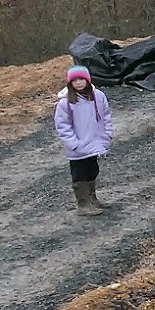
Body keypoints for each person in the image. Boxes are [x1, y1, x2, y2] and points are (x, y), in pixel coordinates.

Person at [54, 65, 113, 216]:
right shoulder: (65, 103)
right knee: (79, 174)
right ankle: (83, 204)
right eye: (74, 80)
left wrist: (107, 135)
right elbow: (63, 126)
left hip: (95, 143)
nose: (78, 82)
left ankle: (93, 199)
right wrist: (74, 144)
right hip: (78, 148)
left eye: (81, 79)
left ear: (87, 79)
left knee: (92, 170)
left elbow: (106, 116)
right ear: (70, 83)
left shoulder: (98, 96)